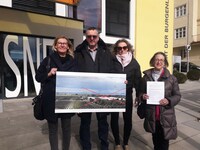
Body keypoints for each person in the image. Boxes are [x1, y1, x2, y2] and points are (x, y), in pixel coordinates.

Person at [75, 27, 114, 150]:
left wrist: (119, 82)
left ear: (98, 37)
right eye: (89, 36)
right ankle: (86, 146)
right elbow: (74, 74)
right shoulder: (78, 53)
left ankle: (104, 145)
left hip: (102, 92)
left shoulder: (106, 52)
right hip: (84, 93)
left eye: (94, 36)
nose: (91, 39)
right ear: (86, 37)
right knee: (85, 122)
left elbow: (112, 71)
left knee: (103, 122)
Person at [35, 36, 76, 150]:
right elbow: (38, 77)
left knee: (66, 129)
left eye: (64, 43)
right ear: (55, 46)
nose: (62, 45)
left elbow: (79, 79)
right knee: (53, 129)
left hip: (67, 99)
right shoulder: (47, 59)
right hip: (51, 100)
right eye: (60, 43)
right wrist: (49, 73)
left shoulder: (73, 61)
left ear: (68, 46)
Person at [139, 51, 181, 150]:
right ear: (153, 61)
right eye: (157, 59)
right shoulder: (145, 78)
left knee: (164, 142)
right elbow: (140, 92)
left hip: (166, 116)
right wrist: (142, 96)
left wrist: (168, 101)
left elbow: (177, 96)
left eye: (161, 60)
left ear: (165, 63)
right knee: (155, 140)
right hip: (152, 115)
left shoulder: (171, 79)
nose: (159, 62)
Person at [110, 39, 141, 150]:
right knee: (114, 119)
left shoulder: (134, 62)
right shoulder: (112, 60)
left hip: (127, 94)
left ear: (128, 48)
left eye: (124, 47)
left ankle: (126, 142)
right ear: (116, 49)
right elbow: (107, 75)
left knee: (127, 119)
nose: (122, 50)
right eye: (119, 48)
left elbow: (137, 80)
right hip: (114, 94)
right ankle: (117, 142)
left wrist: (138, 95)